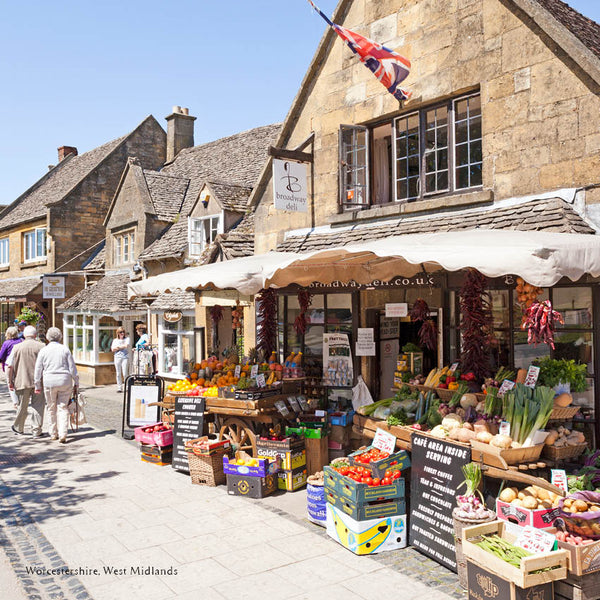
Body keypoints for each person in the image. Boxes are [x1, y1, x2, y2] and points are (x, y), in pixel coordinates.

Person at [34, 327, 79, 444]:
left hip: (49, 381)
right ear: (60, 337)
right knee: (63, 407)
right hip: (64, 380)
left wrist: (37, 384)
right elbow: (72, 367)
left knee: (51, 407)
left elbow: (38, 368)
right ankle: (63, 433)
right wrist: (76, 381)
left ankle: (53, 432)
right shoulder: (65, 349)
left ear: (48, 337)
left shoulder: (44, 350)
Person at [8, 326, 46, 438]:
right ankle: (36, 430)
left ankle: (19, 427)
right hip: (39, 381)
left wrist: (10, 381)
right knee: (38, 406)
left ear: (24, 335)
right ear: (35, 335)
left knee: (22, 406)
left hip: (21, 380)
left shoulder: (16, 347)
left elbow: (9, 366)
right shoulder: (42, 346)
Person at [0, 327, 22, 408]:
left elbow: (1, 356)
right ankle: (20, 399)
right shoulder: (20, 341)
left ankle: (15, 402)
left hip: (8, 365)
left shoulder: (6, 343)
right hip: (19, 364)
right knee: (19, 381)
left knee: (10, 383)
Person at [111, 327, 130, 392]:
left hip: (125, 357)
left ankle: (127, 386)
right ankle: (119, 387)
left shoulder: (127, 339)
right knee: (118, 373)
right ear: (118, 333)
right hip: (117, 357)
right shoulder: (115, 340)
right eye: (120, 332)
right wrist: (120, 347)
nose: (122, 333)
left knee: (125, 373)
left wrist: (118, 347)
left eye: (123, 332)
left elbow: (126, 346)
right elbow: (112, 349)